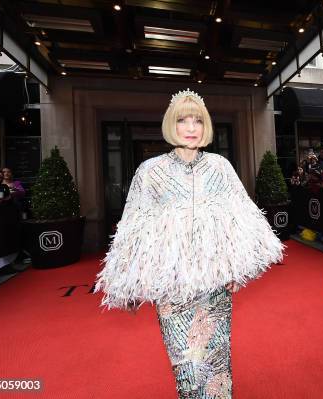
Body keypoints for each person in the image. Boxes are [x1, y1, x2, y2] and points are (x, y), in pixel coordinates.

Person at [94, 89, 285, 398]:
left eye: (198, 120)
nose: (192, 128)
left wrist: (235, 270)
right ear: (172, 124)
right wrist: (126, 285)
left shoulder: (220, 168)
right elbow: (132, 226)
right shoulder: (151, 172)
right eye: (183, 120)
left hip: (213, 285)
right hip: (172, 289)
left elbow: (242, 218)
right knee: (186, 366)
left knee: (216, 365)